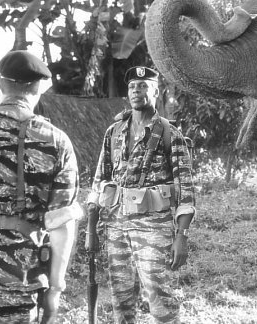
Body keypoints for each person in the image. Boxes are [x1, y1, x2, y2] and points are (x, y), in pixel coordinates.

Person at [0, 50, 80, 323]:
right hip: (20, 273)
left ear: (1, 84)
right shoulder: (56, 141)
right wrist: (55, 288)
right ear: (39, 87)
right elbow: (60, 223)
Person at [86, 66, 196, 324]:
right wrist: (91, 230)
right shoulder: (113, 132)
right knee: (121, 298)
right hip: (115, 225)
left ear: (156, 92)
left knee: (160, 296)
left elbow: (186, 189)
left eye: (144, 86)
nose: (137, 90)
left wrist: (182, 236)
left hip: (153, 226)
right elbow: (99, 179)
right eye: (133, 86)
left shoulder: (170, 133)